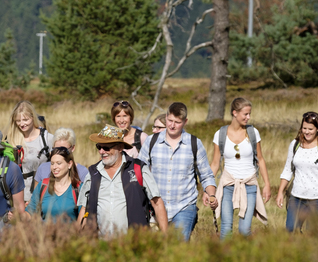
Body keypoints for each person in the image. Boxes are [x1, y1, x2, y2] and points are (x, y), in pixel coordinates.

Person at [139, 102, 217, 240]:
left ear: (185, 122)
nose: (172, 125)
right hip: (154, 207)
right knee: (156, 250)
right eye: (169, 121)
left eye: (177, 122)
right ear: (166, 117)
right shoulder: (151, 142)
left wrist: (211, 194)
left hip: (184, 206)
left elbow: (206, 175)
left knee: (177, 248)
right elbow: (139, 172)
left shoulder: (194, 143)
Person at [77, 124, 168, 236]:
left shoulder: (138, 169)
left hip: (133, 244)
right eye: (99, 147)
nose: (101, 151)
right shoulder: (93, 172)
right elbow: (84, 208)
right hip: (100, 246)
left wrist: (166, 238)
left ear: (120, 148)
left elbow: (157, 203)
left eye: (106, 148)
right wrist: (78, 240)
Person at [210, 97, 271, 239]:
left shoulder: (253, 133)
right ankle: (225, 259)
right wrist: (208, 188)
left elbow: (260, 159)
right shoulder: (220, 135)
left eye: (249, 114)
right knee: (226, 229)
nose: (248, 117)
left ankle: (246, 259)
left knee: (244, 230)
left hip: (249, 184)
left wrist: (267, 185)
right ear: (234, 113)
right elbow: (215, 163)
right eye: (245, 114)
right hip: (228, 184)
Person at [276, 111, 318, 232]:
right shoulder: (295, 144)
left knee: (312, 234)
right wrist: (280, 192)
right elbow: (287, 170)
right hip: (297, 198)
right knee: (291, 230)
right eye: (304, 128)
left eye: (310, 129)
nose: (306, 132)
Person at [4, 101, 53, 202]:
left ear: (33, 117)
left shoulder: (47, 139)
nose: (22, 124)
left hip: (44, 196)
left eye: (25, 120)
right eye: (18, 121)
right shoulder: (10, 140)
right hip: (17, 197)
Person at [26, 147, 81, 223]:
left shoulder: (78, 188)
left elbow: (84, 218)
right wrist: (16, 216)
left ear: (69, 164)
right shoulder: (43, 186)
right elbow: (30, 212)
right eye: (52, 163)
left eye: (59, 163)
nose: (54, 167)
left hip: (71, 234)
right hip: (46, 234)